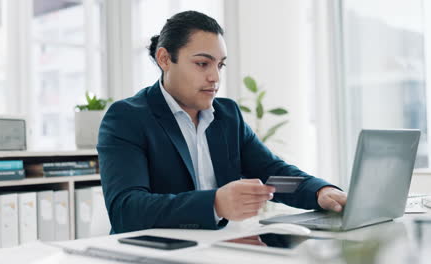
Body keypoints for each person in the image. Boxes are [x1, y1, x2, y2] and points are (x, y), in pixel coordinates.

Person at [97, 10, 347, 234]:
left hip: (216, 247)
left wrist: (319, 192)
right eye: (202, 64)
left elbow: (273, 176)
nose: (215, 77)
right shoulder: (127, 118)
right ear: (164, 59)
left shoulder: (227, 115)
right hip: (155, 254)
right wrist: (215, 204)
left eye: (220, 65)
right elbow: (126, 210)